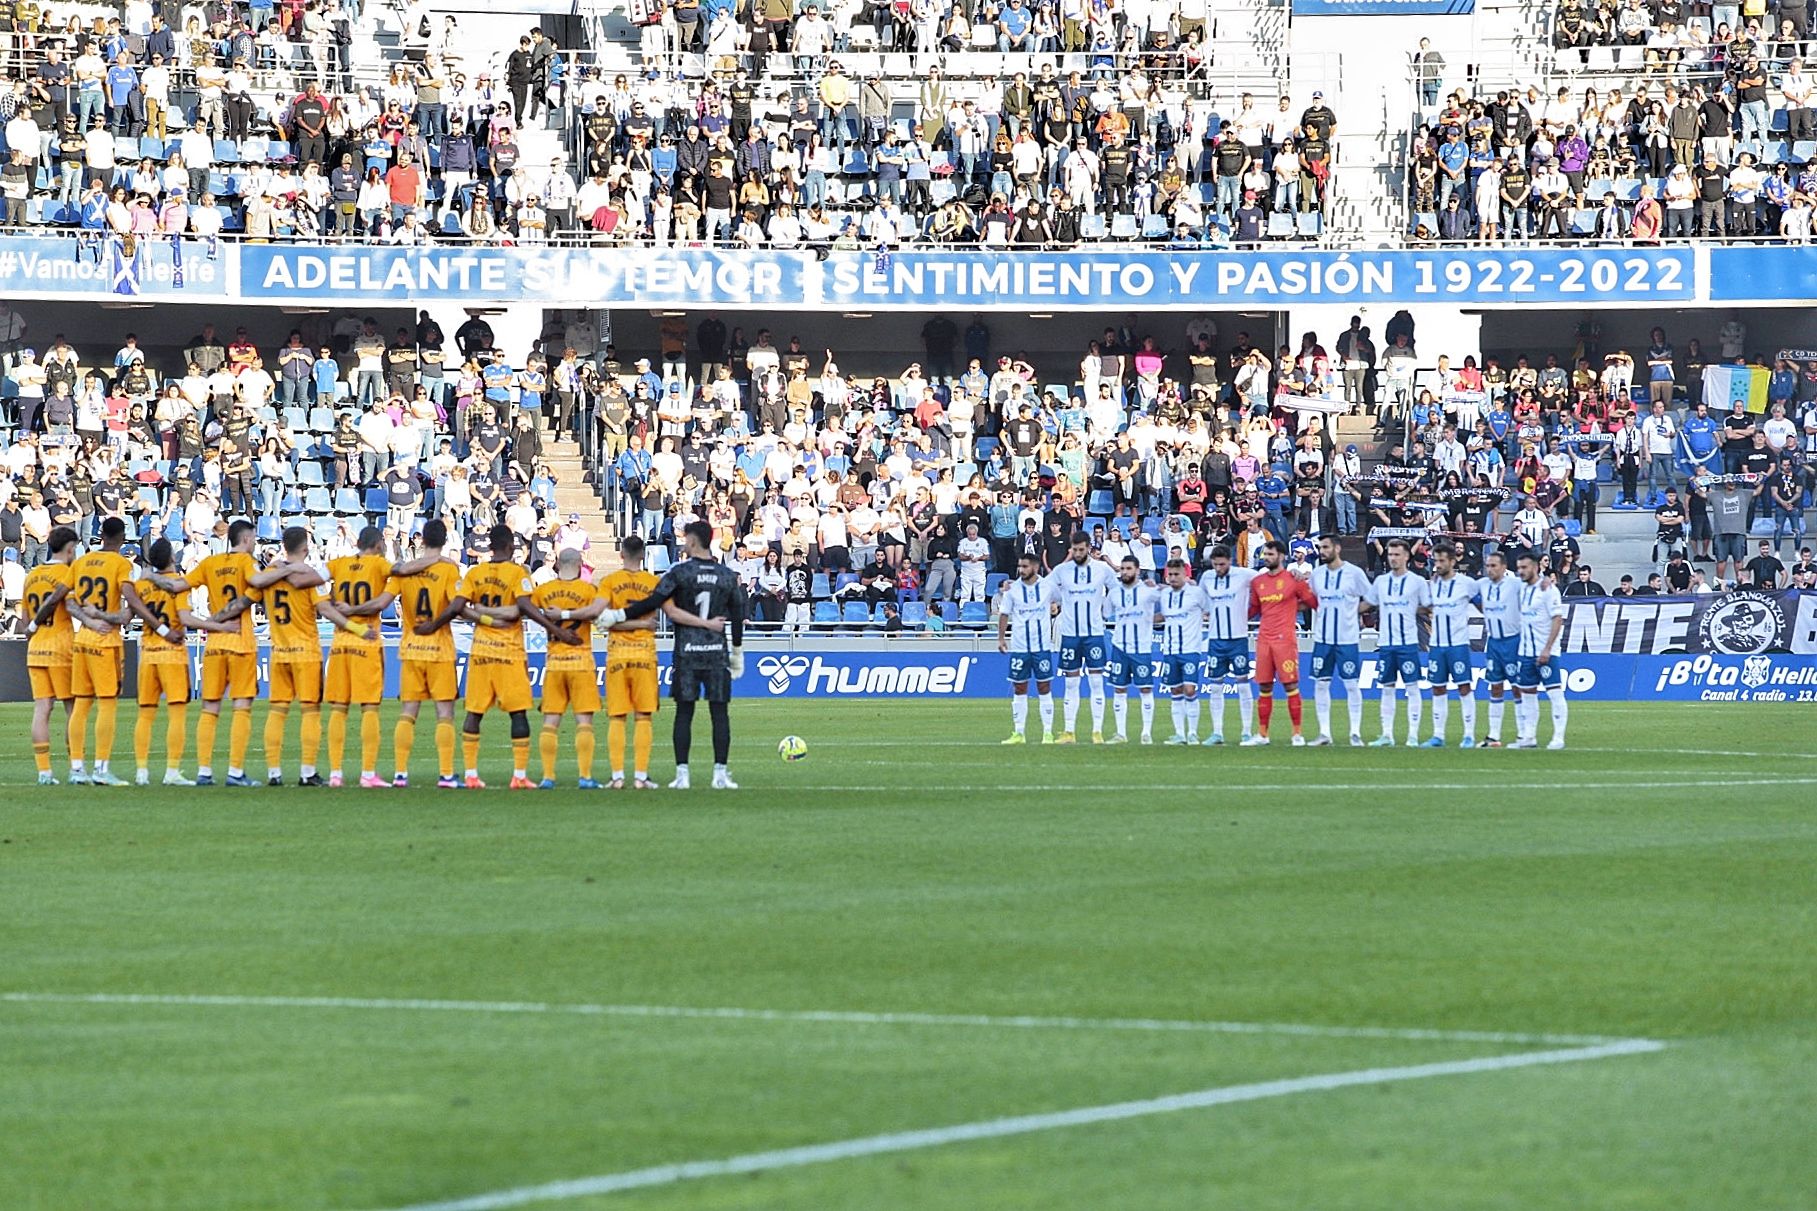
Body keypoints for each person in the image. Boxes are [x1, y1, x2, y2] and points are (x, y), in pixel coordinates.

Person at [424, 524, 569, 789]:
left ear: (490, 546)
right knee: (518, 713)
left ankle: (470, 774)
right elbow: (525, 606)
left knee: (474, 712)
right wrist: (555, 628)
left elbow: (457, 606)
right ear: (510, 546)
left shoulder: (475, 573)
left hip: (480, 652)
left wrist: (434, 625)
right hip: (509, 653)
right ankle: (520, 775)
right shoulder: (517, 573)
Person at [615, 519, 748, 790]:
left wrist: (620, 614)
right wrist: (736, 650)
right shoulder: (726, 575)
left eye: (686, 538)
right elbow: (737, 612)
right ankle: (720, 774)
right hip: (715, 653)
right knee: (719, 713)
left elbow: (653, 601)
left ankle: (682, 775)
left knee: (684, 713)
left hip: (687, 652)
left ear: (693, 541)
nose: (684, 542)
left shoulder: (680, 573)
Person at [150, 520, 261, 786]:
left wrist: (149, 576)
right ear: (246, 539)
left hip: (213, 646)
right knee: (241, 707)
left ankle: (204, 771)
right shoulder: (248, 564)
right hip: (240, 642)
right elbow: (251, 595)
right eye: (254, 539)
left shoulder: (209, 564)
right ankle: (235, 772)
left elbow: (176, 587)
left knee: (210, 707)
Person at [254, 526, 362, 786]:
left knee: (277, 712)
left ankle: (273, 773)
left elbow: (253, 594)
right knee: (310, 712)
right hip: (306, 652)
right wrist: (356, 627)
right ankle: (307, 772)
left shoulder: (270, 573)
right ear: (306, 547)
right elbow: (324, 609)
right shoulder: (310, 575)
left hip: (279, 651)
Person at [386, 521, 463, 787]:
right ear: (444, 541)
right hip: (440, 648)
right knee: (444, 712)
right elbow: (456, 606)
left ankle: (399, 773)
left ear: (422, 541)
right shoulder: (449, 569)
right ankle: (446, 774)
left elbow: (384, 602)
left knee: (408, 712)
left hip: (411, 647)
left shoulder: (404, 572)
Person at [322, 526, 395, 788]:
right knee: (369, 708)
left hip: (340, 643)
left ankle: (335, 774)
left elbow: (317, 580)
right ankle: (367, 773)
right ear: (377, 545)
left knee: (338, 709)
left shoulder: (338, 564)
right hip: (367, 641)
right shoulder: (379, 563)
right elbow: (396, 577)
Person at [66, 517, 136, 786]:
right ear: (122, 536)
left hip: (82, 639)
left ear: (101, 534)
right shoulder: (121, 564)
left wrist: (88, 620)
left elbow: (70, 603)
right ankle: (101, 768)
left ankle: (76, 770)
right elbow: (128, 609)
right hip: (106, 642)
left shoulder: (82, 561)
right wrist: (108, 618)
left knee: (81, 705)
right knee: (107, 704)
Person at [528, 548, 605, 788]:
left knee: (550, 721)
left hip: (554, 663)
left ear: (558, 565)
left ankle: (548, 777)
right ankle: (585, 777)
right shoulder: (589, 590)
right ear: (581, 564)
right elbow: (598, 615)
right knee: (584, 721)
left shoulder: (544, 590)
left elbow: (524, 608)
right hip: (581, 661)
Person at [593, 535, 662, 788]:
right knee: (644, 716)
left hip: (617, 655)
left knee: (617, 717)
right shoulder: (653, 582)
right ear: (643, 555)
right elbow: (663, 616)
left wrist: (619, 621)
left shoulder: (610, 581)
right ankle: (641, 777)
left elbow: (599, 616)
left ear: (621, 554)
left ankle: (618, 776)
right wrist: (642, 623)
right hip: (644, 653)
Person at [1042, 531, 1113, 743]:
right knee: (1071, 684)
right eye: (1075, 549)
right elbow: (1045, 588)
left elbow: (1117, 590)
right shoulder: (1062, 570)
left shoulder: (1102, 569)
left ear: (1089, 548)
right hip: (1070, 634)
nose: (1078, 553)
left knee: (1096, 682)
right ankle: (1069, 731)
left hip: (1094, 634)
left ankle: (1097, 731)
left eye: (1082, 549)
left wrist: (1106, 610)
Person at [1245, 540, 1317, 746]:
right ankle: (1262, 734)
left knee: (1290, 684)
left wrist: (1296, 606)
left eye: (1270, 554)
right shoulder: (1258, 582)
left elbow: (1313, 603)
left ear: (1282, 556)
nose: (1266, 558)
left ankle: (1297, 734)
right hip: (1264, 640)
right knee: (1265, 685)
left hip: (1285, 640)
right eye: (1265, 554)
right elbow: (1254, 610)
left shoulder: (1294, 580)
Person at [23, 527, 78, 784]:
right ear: (69, 548)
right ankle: (75, 768)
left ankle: (44, 772)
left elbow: (25, 622)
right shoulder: (68, 573)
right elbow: (75, 607)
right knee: (72, 709)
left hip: (35, 649)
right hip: (61, 647)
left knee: (42, 708)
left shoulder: (31, 575)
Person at [1306, 534, 1369, 746]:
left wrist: (1353, 612)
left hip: (1347, 638)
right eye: (1320, 548)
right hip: (1323, 639)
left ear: (1337, 548)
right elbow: (1313, 599)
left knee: (1351, 684)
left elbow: (1369, 598)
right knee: (1321, 684)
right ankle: (1324, 733)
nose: (1322, 551)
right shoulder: (1317, 574)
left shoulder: (1354, 573)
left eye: (1326, 547)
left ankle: (1355, 733)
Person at [1367, 538, 1430, 747]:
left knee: (1412, 687)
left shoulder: (1417, 582)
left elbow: (1428, 608)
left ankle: (1413, 735)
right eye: (1390, 554)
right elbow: (1369, 603)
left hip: (1408, 643)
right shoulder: (1381, 582)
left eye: (1396, 554)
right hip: (1386, 643)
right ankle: (1387, 734)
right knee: (1387, 688)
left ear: (1406, 556)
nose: (1392, 558)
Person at [996, 551, 1060, 745]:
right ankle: (1019, 733)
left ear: (1035, 567)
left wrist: (1055, 608)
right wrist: (1001, 639)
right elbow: (1004, 615)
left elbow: (1062, 598)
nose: (1021, 570)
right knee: (1020, 688)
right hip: (1020, 646)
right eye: (1019, 566)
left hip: (1042, 646)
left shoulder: (1048, 586)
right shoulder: (1013, 590)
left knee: (1044, 687)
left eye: (1024, 566)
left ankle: (1047, 733)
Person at [1198, 546, 1257, 745]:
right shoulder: (1207, 577)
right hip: (1216, 640)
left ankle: (1247, 731)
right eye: (1215, 564)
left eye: (1222, 564)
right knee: (1215, 686)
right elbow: (1202, 601)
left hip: (1238, 638)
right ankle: (1217, 733)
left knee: (1242, 684)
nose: (1219, 568)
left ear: (1230, 561)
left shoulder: (1244, 575)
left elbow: (1266, 577)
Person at [1424, 541, 1479, 748]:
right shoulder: (1434, 583)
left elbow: (1483, 604)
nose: (1437, 564)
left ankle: (1469, 735)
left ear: (1452, 561)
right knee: (1437, 688)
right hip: (1437, 645)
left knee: (1463, 687)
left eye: (1441, 561)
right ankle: (1438, 735)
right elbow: (1427, 608)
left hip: (1458, 644)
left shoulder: (1466, 583)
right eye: (1435, 560)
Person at [1513, 551, 1568, 750]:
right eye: (1519, 568)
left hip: (1546, 651)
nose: (1521, 571)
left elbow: (1557, 619)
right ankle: (1529, 737)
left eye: (1524, 567)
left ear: (1536, 567)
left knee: (1554, 692)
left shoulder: (1548, 590)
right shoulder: (1520, 588)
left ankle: (1558, 737)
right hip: (1525, 651)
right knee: (1527, 694)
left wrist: (1547, 648)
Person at [1104, 555, 1160, 745]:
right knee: (1119, 690)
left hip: (1141, 648)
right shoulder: (1114, 593)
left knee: (1145, 689)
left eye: (1129, 569)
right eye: (1123, 569)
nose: (1125, 572)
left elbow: (1171, 600)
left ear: (1137, 570)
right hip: (1119, 647)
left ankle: (1146, 733)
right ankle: (1121, 733)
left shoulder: (1149, 591)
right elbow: (1104, 612)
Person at [1155, 558, 1209, 745]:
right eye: (1170, 574)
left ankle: (1193, 733)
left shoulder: (1196, 594)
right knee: (1176, 690)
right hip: (1170, 649)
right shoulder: (1165, 594)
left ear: (1185, 575)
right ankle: (1179, 734)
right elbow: (1163, 616)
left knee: (1190, 689)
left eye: (1177, 574)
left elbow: (1209, 611)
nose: (1173, 578)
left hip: (1190, 649)